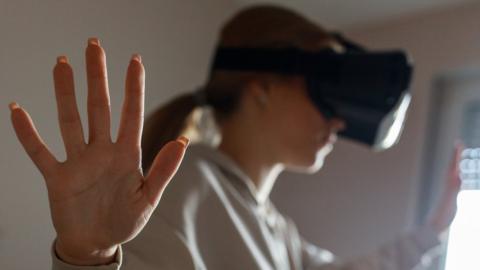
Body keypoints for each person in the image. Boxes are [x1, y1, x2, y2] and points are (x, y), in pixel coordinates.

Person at [10, 5, 461, 270]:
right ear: (262, 87)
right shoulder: (184, 192)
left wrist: (432, 231)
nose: (339, 121)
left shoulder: (271, 225)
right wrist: (89, 256)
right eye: (324, 94)